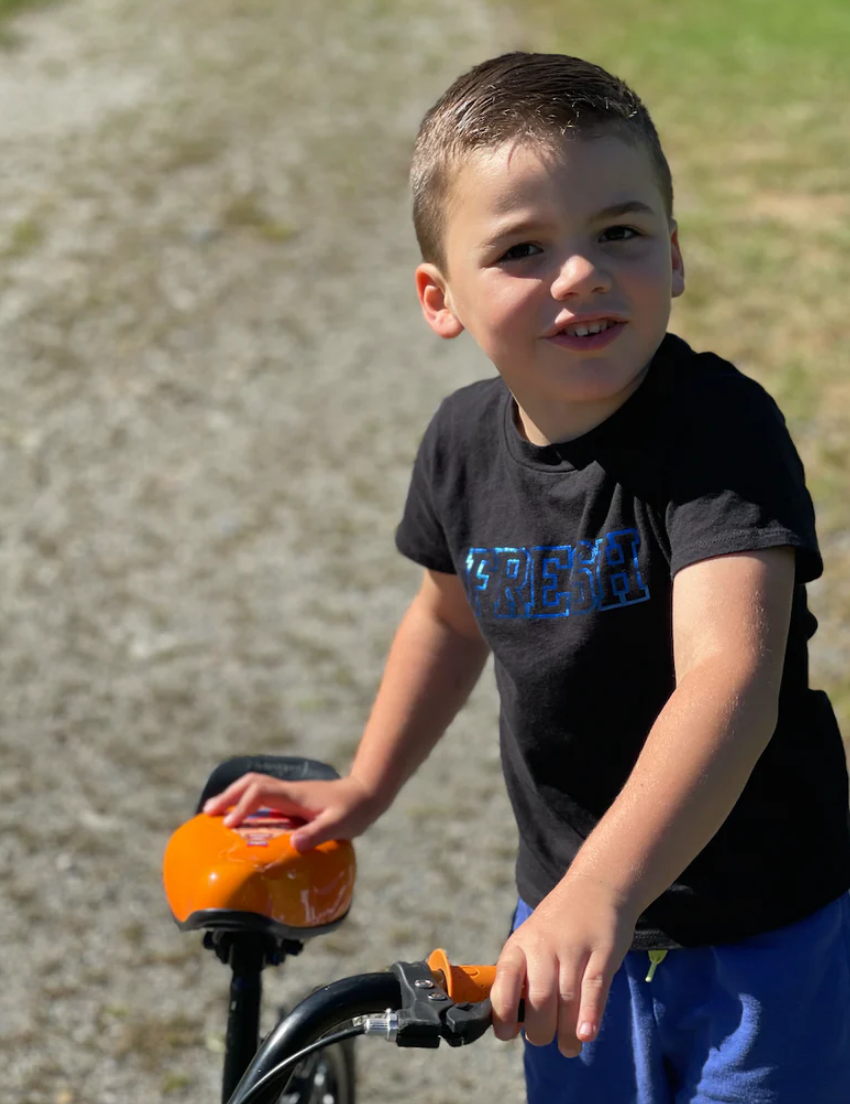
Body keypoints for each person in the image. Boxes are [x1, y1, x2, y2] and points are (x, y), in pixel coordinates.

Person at [202, 52, 850, 1102]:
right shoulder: (460, 446)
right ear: (439, 296)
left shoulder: (718, 431)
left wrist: (603, 888)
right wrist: (365, 787)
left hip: (758, 933)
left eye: (620, 234)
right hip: (564, 923)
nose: (580, 274)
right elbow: (446, 622)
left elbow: (729, 682)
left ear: (675, 255)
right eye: (521, 249)